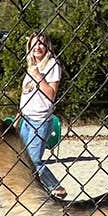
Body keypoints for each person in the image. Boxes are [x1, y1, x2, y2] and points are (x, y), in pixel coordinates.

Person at [19, 32, 63, 194]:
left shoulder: (52, 65)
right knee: (21, 157)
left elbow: (51, 94)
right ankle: (29, 189)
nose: (38, 47)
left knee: (33, 160)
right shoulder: (31, 67)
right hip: (27, 118)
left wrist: (38, 76)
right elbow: (26, 94)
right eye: (34, 44)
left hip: (40, 120)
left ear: (47, 47)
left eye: (41, 43)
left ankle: (55, 187)